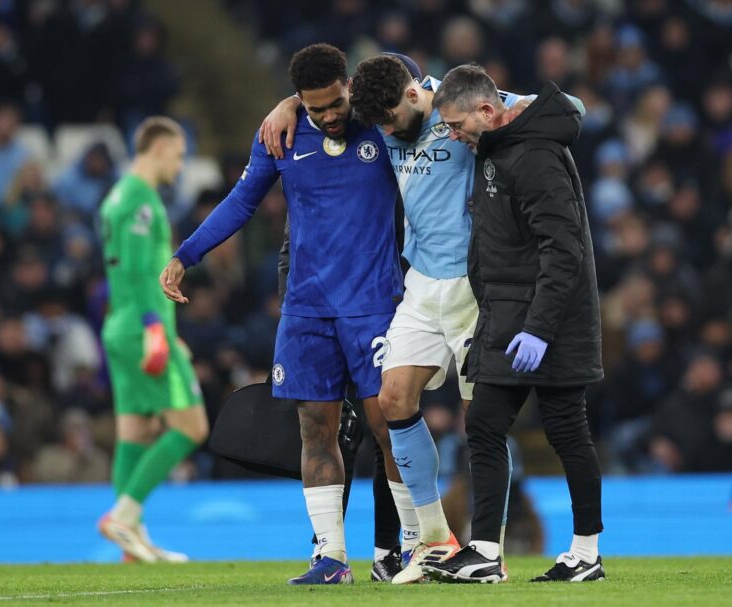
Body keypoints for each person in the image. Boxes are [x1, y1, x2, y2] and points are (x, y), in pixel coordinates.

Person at [259, 54, 586, 584]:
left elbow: (572, 107)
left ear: (415, 95)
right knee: (391, 402)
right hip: (420, 283)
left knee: (480, 420)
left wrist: (510, 107)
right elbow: (334, 87)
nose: (384, 132)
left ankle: (489, 551)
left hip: (475, 287)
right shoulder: (380, 110)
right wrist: (289, 102)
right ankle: (434, 540)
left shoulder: (459, 112)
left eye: (389, 120)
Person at [160, 43, 405, 585]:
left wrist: (291, 101)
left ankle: (407, 550)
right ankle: (331, 557)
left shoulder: (382, 123)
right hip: (306, 308)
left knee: (391, 429)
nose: (328, 115)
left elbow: (411, 80)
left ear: (349, 85)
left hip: (374, 306)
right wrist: (186, 255)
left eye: (334, 102)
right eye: (314, 107)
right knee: (315, 431)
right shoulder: (283, 133)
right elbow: (242, 200)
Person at [423, 65, 605, 583]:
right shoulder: (495, 151)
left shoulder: (537, 155)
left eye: (457, 125)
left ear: (487, 111)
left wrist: (541, 328)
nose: (453, 136)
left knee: (568, 431)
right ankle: (483, 551)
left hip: (551, 321)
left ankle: (586, 552)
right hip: (506, 316)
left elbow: (564, 250)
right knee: (482, 426)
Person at [97, 116, 209, 563]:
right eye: (179, 156)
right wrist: (156, 329)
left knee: (136, 430)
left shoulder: (116, 197)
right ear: (159, 148)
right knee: (192, 426)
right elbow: (140, 270)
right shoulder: (141, 201)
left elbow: (119, 270)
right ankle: (124, 517)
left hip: (119, 325)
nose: (180, 166)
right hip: (142, 327)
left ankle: (131, 541)